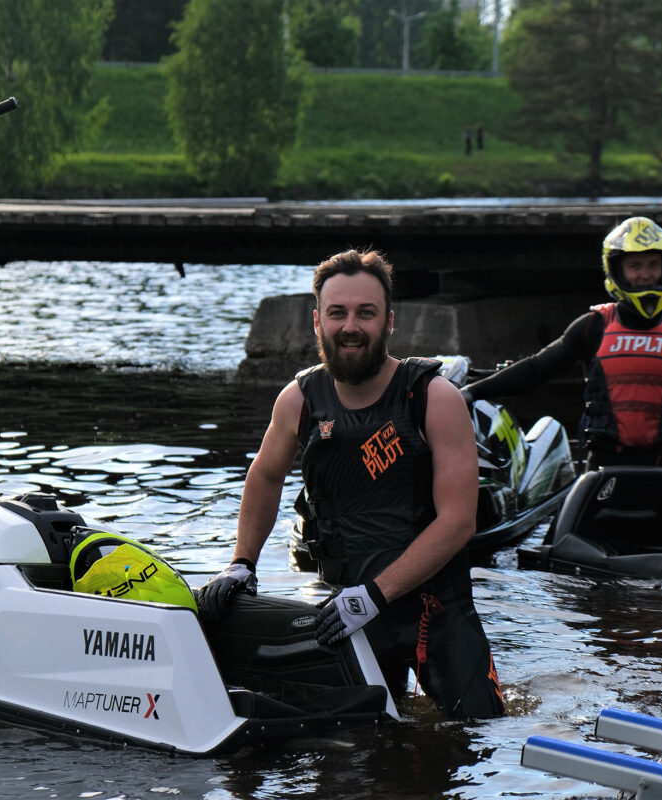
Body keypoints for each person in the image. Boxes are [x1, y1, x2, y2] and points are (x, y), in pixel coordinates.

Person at [198, 248, 506, 719]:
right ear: (317, 322)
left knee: (478, 737)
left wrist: (375, 596)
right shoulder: (299, 399)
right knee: (348, 755)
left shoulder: (432, 397)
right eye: (337, 313)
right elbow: (264, 475)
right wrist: (242, 562)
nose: (350, 327)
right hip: (346, 616)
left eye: (366, 312)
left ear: (389, 322)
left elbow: (459, 522)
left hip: (436, 614)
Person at [461, 216, 662, 469]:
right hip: (605, 467)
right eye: (635, 266)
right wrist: (471, 392)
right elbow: (536, 369)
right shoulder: (594, 326)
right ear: (617, 270)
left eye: (653, 265)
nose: (646, 274)